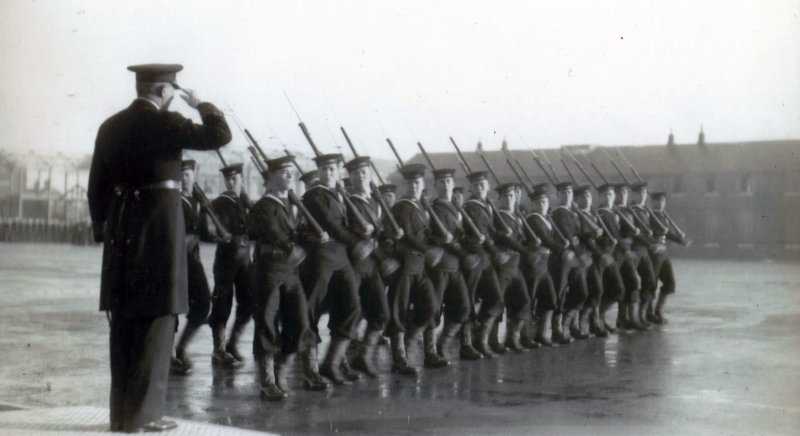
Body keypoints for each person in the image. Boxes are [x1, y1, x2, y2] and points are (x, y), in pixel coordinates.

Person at [88, 63, 231, 432]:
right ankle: (146, 416)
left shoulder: (110, 125)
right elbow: (220, 134)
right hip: (160, 235)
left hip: (122, 234)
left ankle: (121, 417)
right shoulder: (170, 123)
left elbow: (96, 185)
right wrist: (203, 105)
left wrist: (104, 229)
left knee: (123, 323)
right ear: (166, 92)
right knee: (157, 320)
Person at [249, 156, 326, 400]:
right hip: (270, 269)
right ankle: (267, 382)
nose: (289, 176)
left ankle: (306, 374)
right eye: (284, 173)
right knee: (267, 323)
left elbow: (301, 233)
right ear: (269, 179)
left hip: (290, 271)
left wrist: (315, 238)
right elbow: (275, 232)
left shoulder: (289, 205)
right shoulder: (263, 206)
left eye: (290, 172)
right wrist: (296, 244)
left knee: (302, 320)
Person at [300, 153, 365, 385]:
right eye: (324, 169)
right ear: (318, 172)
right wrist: (357, 241)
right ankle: (310, 368)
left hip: (340, 256)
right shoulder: (314, 195)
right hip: (321, 257)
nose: (328, 173)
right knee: (311, 311)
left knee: (352, 307)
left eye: (332, 169)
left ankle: (332, 362)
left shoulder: (338, 194)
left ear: (338, 172)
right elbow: (332, 223)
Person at [343, 156, 402, 377]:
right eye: (356, 173)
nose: (361, 176)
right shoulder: (349, 201)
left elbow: (379, 232)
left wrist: (390, 235)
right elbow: (345, 231)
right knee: (350, 313)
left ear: (370, 174)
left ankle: (363, 357)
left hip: (372, 265)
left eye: (364, 172)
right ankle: (338, 361)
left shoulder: (376, 202)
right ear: (351, 177)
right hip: (354, 264)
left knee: (381, 313)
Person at [170, 160, 229, 375]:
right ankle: (169, 356)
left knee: (203, 303)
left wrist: (220, 237)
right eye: (181, 175)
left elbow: (202, 232)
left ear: (194, 176)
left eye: (187, 174)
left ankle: (182, 347)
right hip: (175, 261)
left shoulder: (197, 202)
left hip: (192, 260)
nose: (184, 179)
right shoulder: (173, 200)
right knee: (172, 309)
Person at [388, 164, 439, 374]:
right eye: (409, 183)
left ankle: (409, 343)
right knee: (398, 311)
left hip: (419, 266)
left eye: (417, 183)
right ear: (404, 185)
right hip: (405, 265)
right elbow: (408, 235)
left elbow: (425, 233)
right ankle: (399, 358)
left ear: (422, 185)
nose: (413, 187)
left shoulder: (420, 207)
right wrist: (429, 248)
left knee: (431, 306)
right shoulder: (402, 207)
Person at [428, 168, 481, 362]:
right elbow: (443, 238)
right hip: (440, 265)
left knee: (463, 306)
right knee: (434, 309)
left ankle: (444, 343)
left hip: (456, 266)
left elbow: (460, 234)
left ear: (453, 184)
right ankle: (430, 351)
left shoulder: (457, 206)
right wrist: (464, 252)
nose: (445, 185)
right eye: (441, 182)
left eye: (448, 182)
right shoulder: (433, 207)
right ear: (435, 185)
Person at [208, 163, 253, 366]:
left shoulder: (245, 201)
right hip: (226, 259)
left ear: (242, 180)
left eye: (235, 179)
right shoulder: (219, 203)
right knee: (222, 305)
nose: (231, 182)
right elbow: (214, 230)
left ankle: (233, 343)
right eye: (228, 179)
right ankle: (219, 349)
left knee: (248, 303)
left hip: (245, 260)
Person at [461, 171, 507, 357]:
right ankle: (467, 344)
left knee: (496, 298)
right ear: (471, 188)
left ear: (488, 187)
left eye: (483, 185)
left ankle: (481, 338)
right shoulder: (470, 206)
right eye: (476, 186)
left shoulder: (487, 206)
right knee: (469, 301)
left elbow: (490, 232)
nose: (479, 188)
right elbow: (481, 235)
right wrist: (496, 250)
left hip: (486, 259)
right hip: (473, 259)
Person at [526, 184, 573, 345]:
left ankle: (542, 333)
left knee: (550, 298)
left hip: (544, 264)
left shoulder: (547, 219)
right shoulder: (533, 219)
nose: (542, 205)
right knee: (529, 300)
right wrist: (562, 249)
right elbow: (546, 240)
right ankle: (524, 336)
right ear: (532, 204)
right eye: (538, 203)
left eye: (544, 202)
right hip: (533, 264)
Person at [492, 182, 533, 352]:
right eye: (506, 196)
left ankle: (512, 337)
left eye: (512, 196)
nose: (510, 199)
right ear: (500, 200)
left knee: (523, 300)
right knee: (497, 302)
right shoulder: (497, 216)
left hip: (515, 265)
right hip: (503, 264)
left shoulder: (516, 216)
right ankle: (491, 340)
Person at [648, 192, 690, 323]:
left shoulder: (662, 216)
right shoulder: (649, 216)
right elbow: (664, 232)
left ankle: (658, 310)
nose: (660, 204)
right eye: (657, 201)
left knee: (670, 283)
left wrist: (680, 240)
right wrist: (678, 239)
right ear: (652, 202)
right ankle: (649, 313)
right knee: (651, 284)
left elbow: (667, 232)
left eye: (662, 201)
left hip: (663, 252)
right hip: (654, 252)